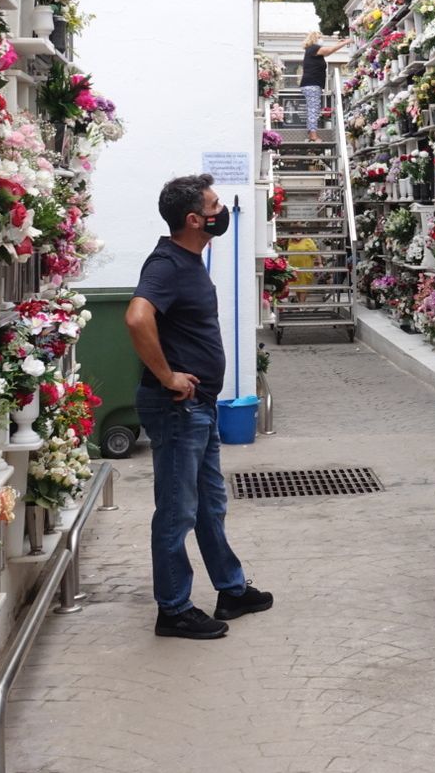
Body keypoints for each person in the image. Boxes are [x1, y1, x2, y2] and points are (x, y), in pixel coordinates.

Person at [125, 174, 273, 640]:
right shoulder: (167, 263)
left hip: (200, 408)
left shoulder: (190, 260)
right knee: (177, 510)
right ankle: (173, 608)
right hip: (178, 409)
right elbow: (136, 316)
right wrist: (168, 375)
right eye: (213, 204)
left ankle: (230, 589)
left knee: (210, 505)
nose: (220, 210)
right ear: (194, 220)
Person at [299, 31, 347, 142]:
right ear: (315, 39)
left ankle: (311, 133)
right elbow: (329, 51)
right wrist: (346, 43)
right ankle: (313, 135)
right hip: (312, 84)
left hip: (312, 84)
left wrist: (339, 43)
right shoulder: (313, 48)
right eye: (320, 37)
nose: (322, 40)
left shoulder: (312, 50)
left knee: (313, 109)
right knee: (313, 109)